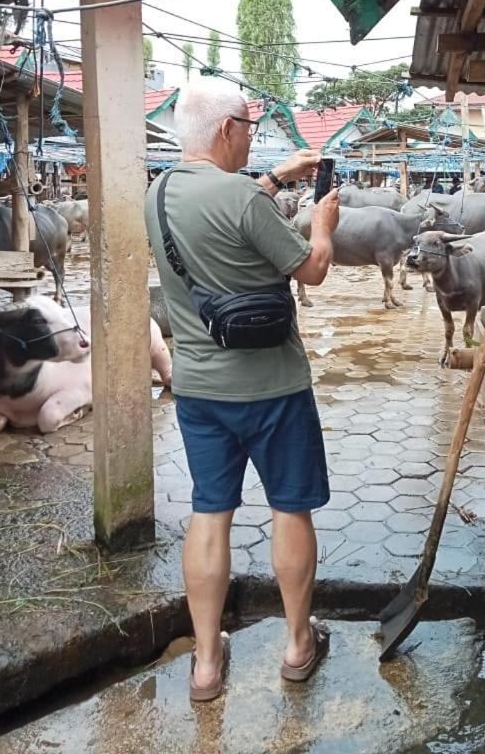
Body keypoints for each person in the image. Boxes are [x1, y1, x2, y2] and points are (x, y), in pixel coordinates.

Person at [144, 82, 339, 700]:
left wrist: (277, 177)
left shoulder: (159, 192)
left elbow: (229, 208)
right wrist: (324, 224)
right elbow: (311, 268)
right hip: (274, 386)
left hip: (199, 388)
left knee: (210, 512)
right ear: (228, 129)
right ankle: (298, 643)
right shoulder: (240, 197)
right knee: (290, 507)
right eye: (250, 126)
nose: (253, 135)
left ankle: (205, 663)